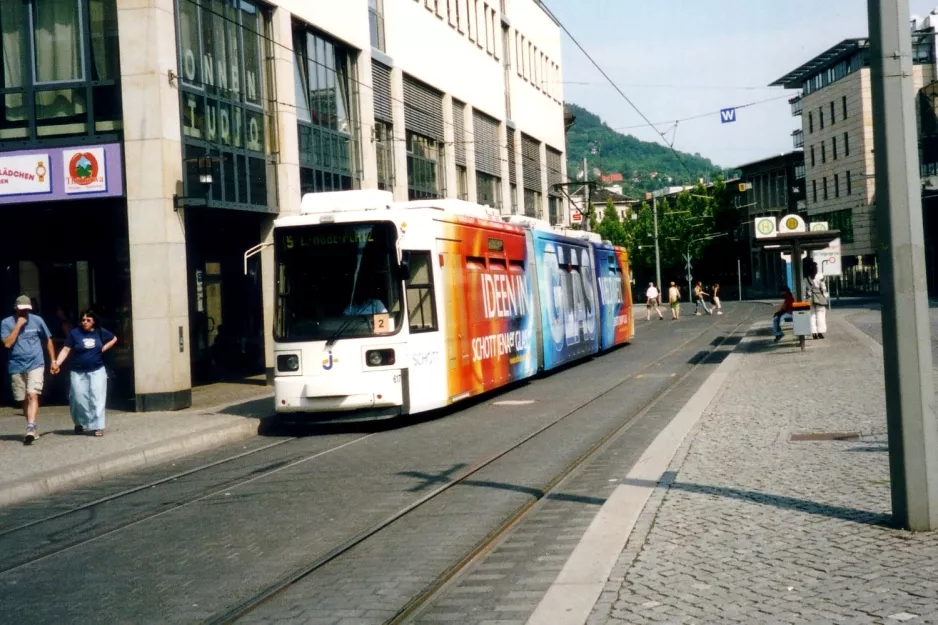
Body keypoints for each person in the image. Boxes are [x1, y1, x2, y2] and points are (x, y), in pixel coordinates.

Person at [1, 295, 58, 444]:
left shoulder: (37, 321)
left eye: (27, 309)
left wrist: (53, 361)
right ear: (15, 308)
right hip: (16, 365)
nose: (24, 312)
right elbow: (7, 344)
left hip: (36, 363)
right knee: (23, 398)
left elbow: (48, 339)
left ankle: (31, 426)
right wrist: (18, 325)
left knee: (33, 395)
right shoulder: (6, 323)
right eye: (22, 310)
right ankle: (31, 425)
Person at [52, 310, 117, 437]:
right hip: (78, 371)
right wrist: (57, 363)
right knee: (78, 397)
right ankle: (79, 422)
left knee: (97, 397)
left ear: (94, 321)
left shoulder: (99, 331)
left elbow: (114, 338)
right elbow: (66, 349)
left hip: (97, 369)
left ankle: (98, 426)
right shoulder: (75, 333)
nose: (85, 322)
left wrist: (104, 348)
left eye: (88, 320)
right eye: (83, 320)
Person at [804, 262, 829, 339]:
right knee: (820, 315)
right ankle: (820, 332)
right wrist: (825, 296)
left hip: (809, 298)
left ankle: (813, 333)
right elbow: (823, 288)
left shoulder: (806, 278)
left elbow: (804, 289)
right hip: (819, 297)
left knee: (812, 315)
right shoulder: (820, 276)